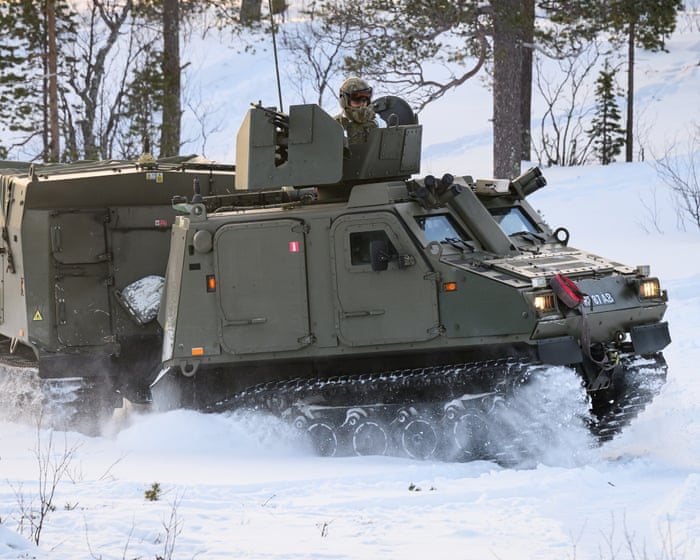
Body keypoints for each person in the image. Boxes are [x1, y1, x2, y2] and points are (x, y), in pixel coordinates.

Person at [335, 77, 378, 144]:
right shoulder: (336, 126)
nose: (362, 103)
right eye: (356, 98)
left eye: (366, 97)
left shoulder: (378, 122)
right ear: (345, 100)